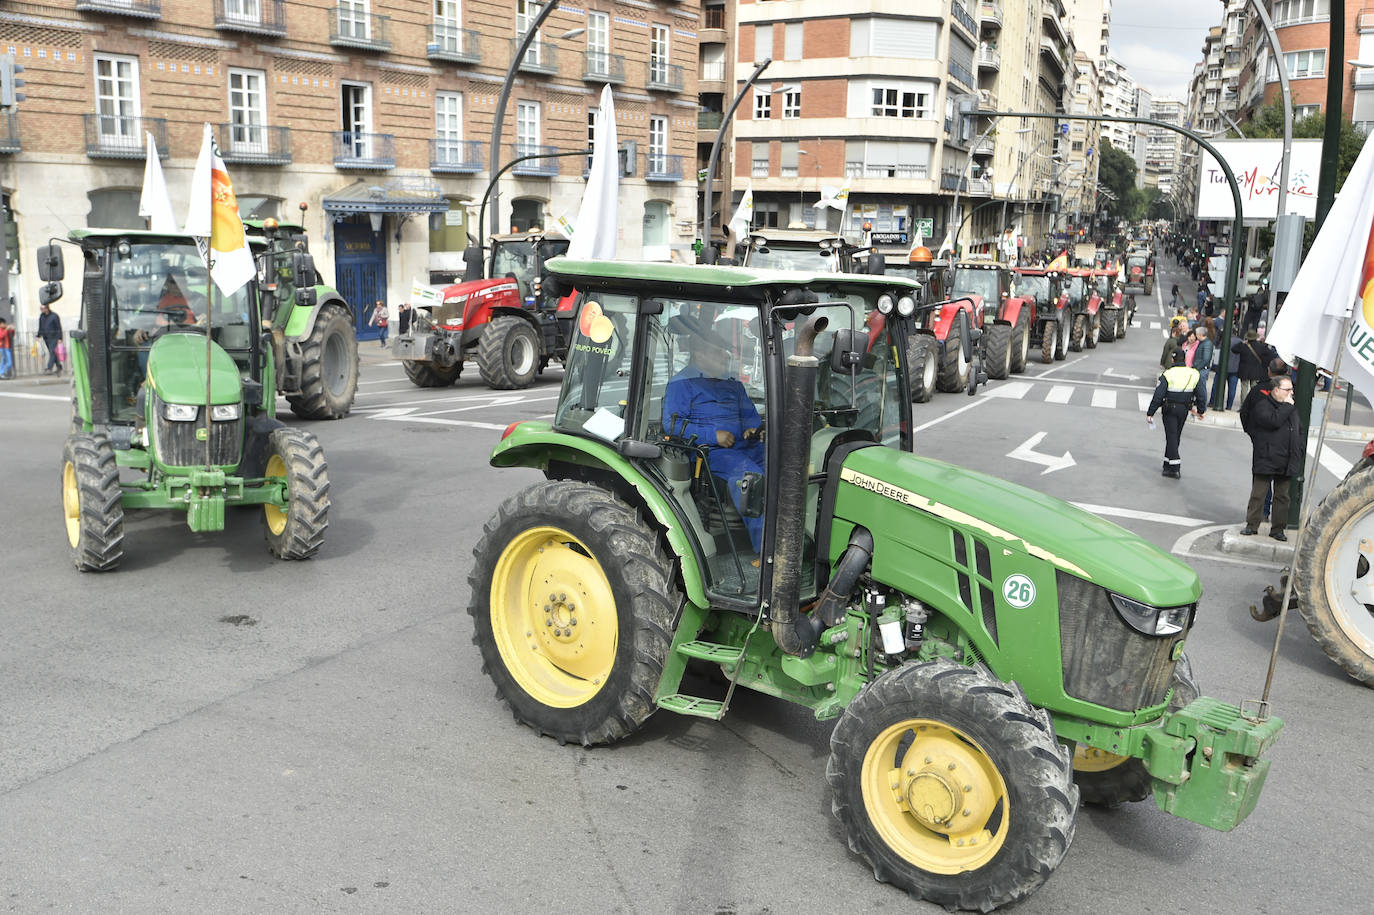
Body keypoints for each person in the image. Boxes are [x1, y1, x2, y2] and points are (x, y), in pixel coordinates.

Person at [663, 326, 765, 552]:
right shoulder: (682, 384)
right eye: (719, 351)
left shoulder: (733, 384)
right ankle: (767, 553)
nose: (726, 356)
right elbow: (672, 426)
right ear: (700, 355)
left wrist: (754, 429)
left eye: (725, 351)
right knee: (753, 480)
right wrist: (713, 436)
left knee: (784, 467)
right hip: (711, 452)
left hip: (747, 446)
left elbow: (750, 417)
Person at [1240, 374, 1300, 541]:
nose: (1291, 393)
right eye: (1287, 389)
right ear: (1275, 390)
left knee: (1282, 496)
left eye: (1291, 390)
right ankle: (1252, 525)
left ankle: (1278, 529)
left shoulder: (1291, 408)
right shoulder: (1263, 406)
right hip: (1267, 456)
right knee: (1259, 493)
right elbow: (1273, 421)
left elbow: (1297, 430)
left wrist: (1298, 450)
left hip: (1286, 458)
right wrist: (1287, 407)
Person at [1146, 348, 1207, 478]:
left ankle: (1174, 467)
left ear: (1172, 359)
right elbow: (1201, 394)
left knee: (1171, 436)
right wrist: (1201, 410)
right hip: (1184, 409)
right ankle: (1167, 464)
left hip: (1170, 408)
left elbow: (1158, 395)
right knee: (1175, 436)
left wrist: (1150, 412)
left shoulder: (1168, 374)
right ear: (1184, 359)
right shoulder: (1194, 373)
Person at [1233, 328, 1274, 404]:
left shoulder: (1244, 346)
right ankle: (1253, 405)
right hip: (1256, 371)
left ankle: (1243, 405)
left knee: (1244, 388)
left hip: (1244, 370)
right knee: (1254, 389)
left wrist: (1242, 343)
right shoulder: (1261, 346)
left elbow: (1234, 349)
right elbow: (1271, 355)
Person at [38, 302, 63, 374]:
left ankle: (49, 368)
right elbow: (40, 326)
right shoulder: (41, 316)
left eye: (42, 308)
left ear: (47, 308)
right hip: (46, 337)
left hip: (54, 337)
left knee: (52, 352)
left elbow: (59, 327)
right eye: (40, 308)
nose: (41, 310)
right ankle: (59, 366)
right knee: (53, 352)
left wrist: (60, 338)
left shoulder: (54, 316)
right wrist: (38, 335)